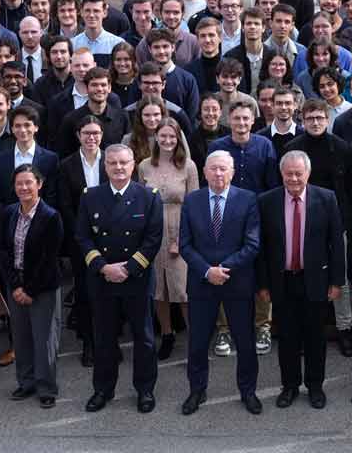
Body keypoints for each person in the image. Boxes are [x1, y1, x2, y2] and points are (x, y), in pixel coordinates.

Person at [77, 144, 166, 414]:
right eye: (113, 163)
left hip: (136, 279)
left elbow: (153, 240)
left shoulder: (149, 197)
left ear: (133, 165)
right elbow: (82, 236)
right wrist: (104, 268)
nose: (118, 168)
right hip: (103, 280)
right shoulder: (90, 196)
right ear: (105, 166)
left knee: (145, 339)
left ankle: (145, 389)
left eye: (124, 163)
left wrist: (127, 269)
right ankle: (103, 389)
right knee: (104, 338)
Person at [178, 152, 263, 415]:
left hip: (237, 281)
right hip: (202, 283)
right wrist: (207, 271)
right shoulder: (192, 201)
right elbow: (184, 244)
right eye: (213, 169)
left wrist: (223, 269)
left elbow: (252, 244)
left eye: (223, 169)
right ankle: (197, 391)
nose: (218, 174)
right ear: (204, 172)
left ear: (232, 171)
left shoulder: (247, 199)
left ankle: (248, 391)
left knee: (245, 341)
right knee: (198, 342)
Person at [261, 151, 346, 409]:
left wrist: (336, 281)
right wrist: (263, 285)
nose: (294, 179)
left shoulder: (326, 198)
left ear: (307, 173)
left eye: (299, 173)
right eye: (289, 174)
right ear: (281, 174)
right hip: (282, 281)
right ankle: (289, 386)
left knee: (315, 338)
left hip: (316, 280)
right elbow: (262, 248)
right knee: (287, 338)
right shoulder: (267, 201)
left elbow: (336, 243)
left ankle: (315, 386)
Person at [0, 164, 64, 408]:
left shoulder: (51, 216)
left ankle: (46, 387)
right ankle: (26, 383)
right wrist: (15, 286)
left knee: (44, 338)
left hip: (43, 286)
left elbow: (49, 258)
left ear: (39, 184)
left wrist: (30, 290)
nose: (24, 187)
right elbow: (3, 251)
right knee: (21, 336)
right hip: (16, 284)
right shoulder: (8, 213)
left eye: (29, 183)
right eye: (19, 184)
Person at [138, 119, 199, 361]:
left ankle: (196, 337)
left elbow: (194, 205)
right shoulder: (144, 166)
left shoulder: (188, 166)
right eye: (162, 136)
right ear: (156, 137)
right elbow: (140, 201)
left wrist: (180, 240)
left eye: (172, 137)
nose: (167, 141)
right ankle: (167, 333)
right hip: (152, 231)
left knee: (182, 290)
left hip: (179, 227)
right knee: (158, 290)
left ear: (178, 138)